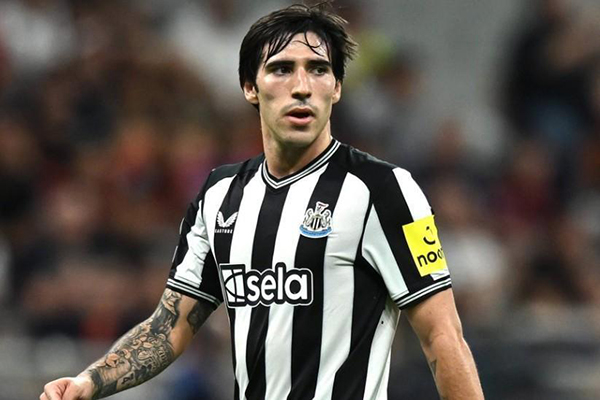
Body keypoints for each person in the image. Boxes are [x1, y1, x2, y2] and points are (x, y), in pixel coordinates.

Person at [41, 3, 485, 400]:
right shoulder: (219, 195)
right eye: (281, 69)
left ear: (337, 88)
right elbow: (169, 326)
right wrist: (89, 381)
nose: (302, 86)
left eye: (318, 69)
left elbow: (443, 337)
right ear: (250, 87)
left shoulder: (384, 189)